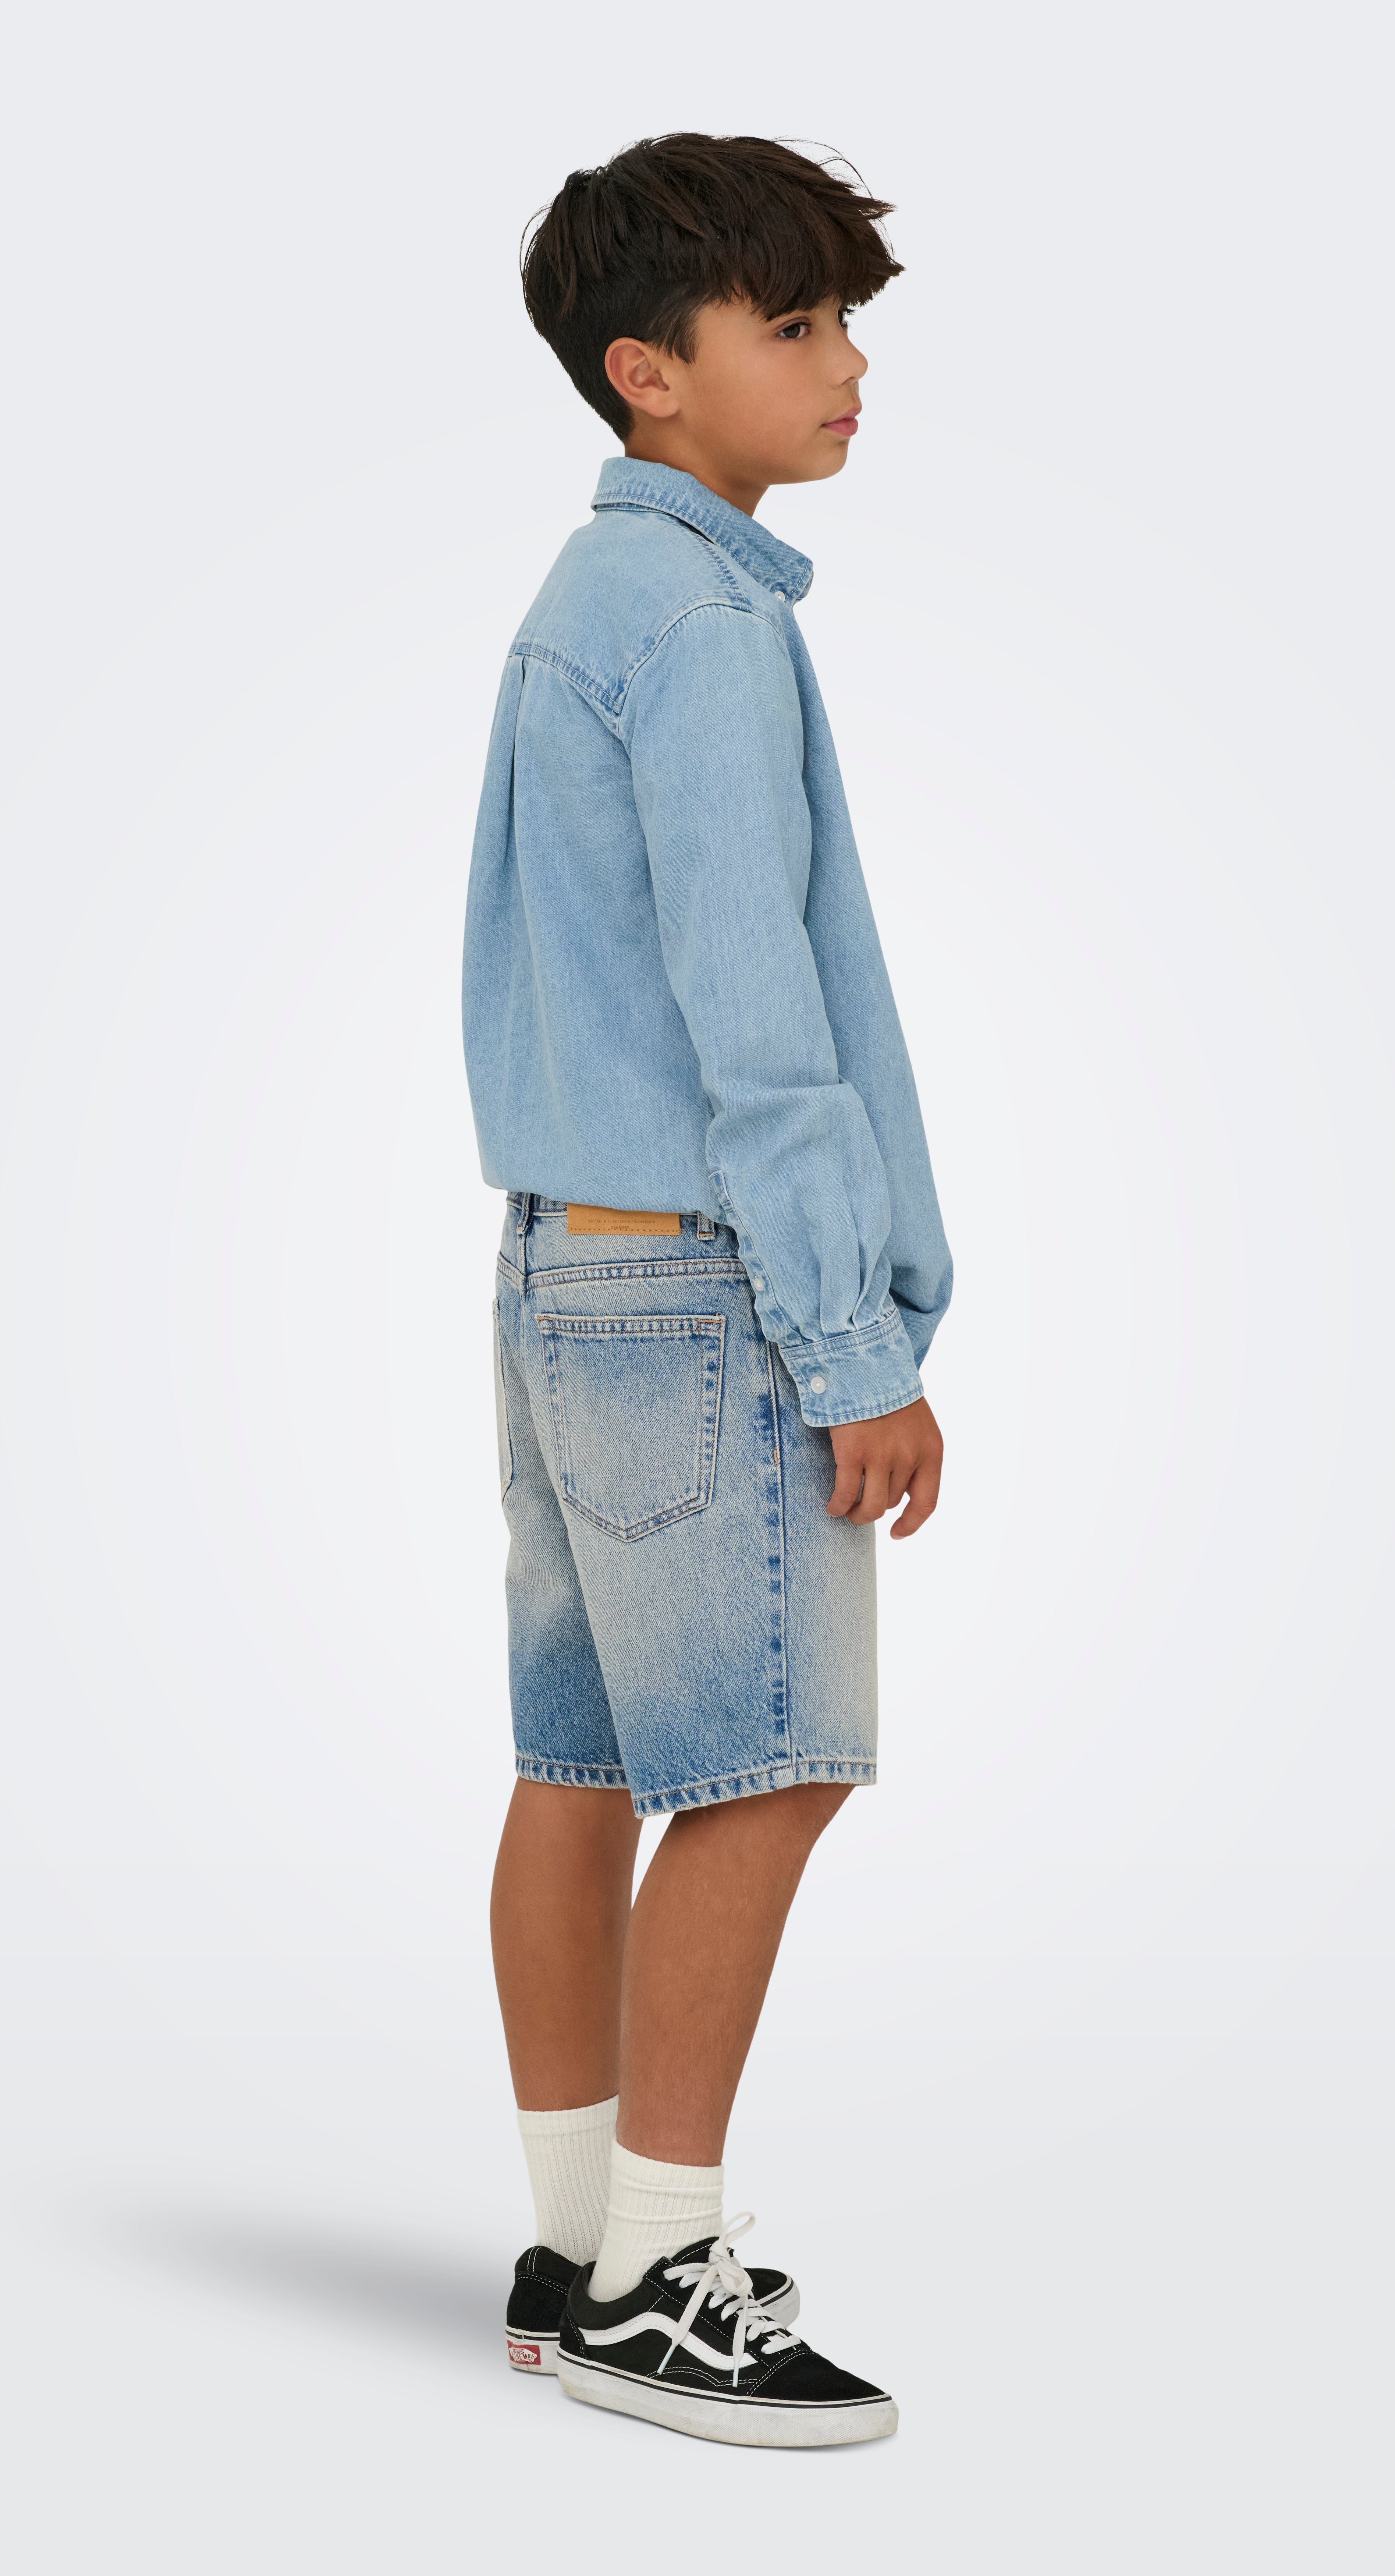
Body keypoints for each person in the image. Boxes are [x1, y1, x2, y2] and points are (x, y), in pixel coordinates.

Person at [463, 133, 952, 2448]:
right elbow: (756, 1030)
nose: (848, 366)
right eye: (795, 325)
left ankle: (576, 2242)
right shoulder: (700, 628)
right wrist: (854, 1348)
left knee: (579, 1763)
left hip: (566, 1270)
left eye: (847, 321)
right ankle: (664, 2277)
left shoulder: (586, 602)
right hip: (701, 1293)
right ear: (646, 373)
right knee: (767, 1770)